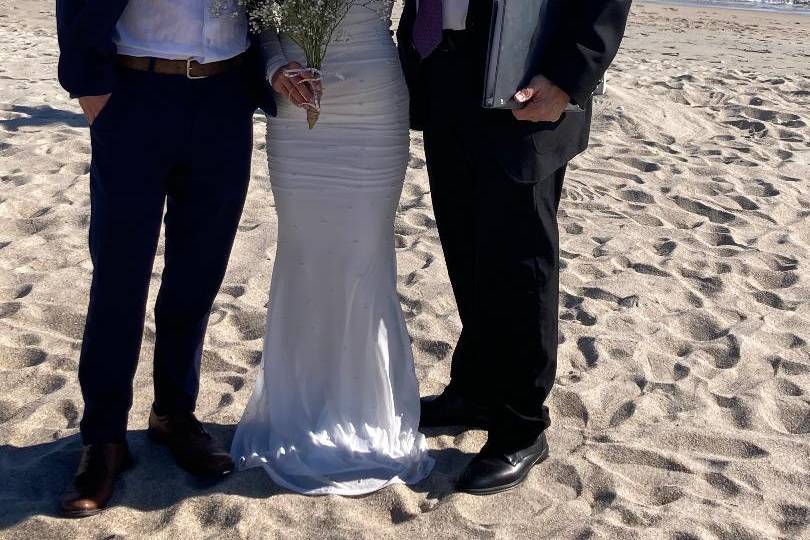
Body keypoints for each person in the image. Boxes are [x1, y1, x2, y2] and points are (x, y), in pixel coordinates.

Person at [397, 0, 631, 495]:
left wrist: (569, 76)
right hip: (446, 66)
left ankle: (522, 425)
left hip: (529, 78)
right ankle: (477, 390)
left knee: (520, 262)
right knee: (466, 247)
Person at [55, 0, 275, 517]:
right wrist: (92, 91)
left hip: (224, 96)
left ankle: (174, 413)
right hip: (134, 91)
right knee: (118, 277)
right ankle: (104, 437)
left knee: (197, 273)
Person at [229, 1, 435, 495]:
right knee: (304, 253)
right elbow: (259, 16)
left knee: (365, 255)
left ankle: (364, 405)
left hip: (374, 99)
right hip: (294, 103)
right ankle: (301, 402)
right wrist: (278, 65)